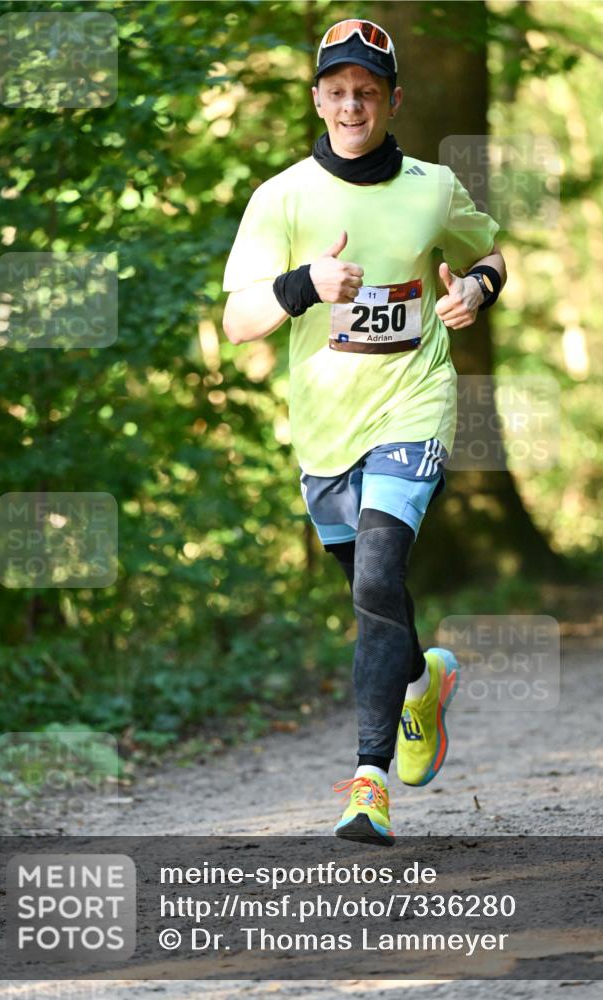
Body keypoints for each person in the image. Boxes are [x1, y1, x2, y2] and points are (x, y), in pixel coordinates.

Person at [222, 19, 506, 845]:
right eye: (337, 90)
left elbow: (488, 256)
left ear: (392, 101)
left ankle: (367, 783)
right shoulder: (280, 198)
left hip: (412, 404)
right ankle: (420, 681)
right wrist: (303, 284)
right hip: (324, 428)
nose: (352, 104)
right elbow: (240, 321)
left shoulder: (430, 186)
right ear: (317, 98)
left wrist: (477, 294)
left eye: (367, 91)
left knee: (379, 578)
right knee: (367, 592)